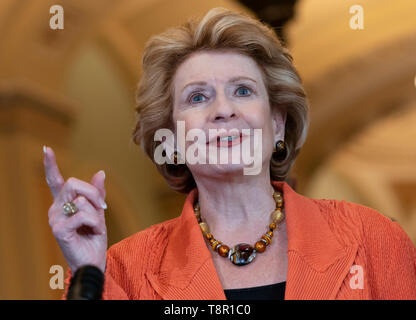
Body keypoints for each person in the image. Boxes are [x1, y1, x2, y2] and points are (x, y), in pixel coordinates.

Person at [43, 7, 416, 300]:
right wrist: (89, 271)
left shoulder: (372, 238)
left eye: (242, 91)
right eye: (198, 97)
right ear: (171, 138)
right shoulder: (122, 271)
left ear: (277, 123)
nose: (223, 109)